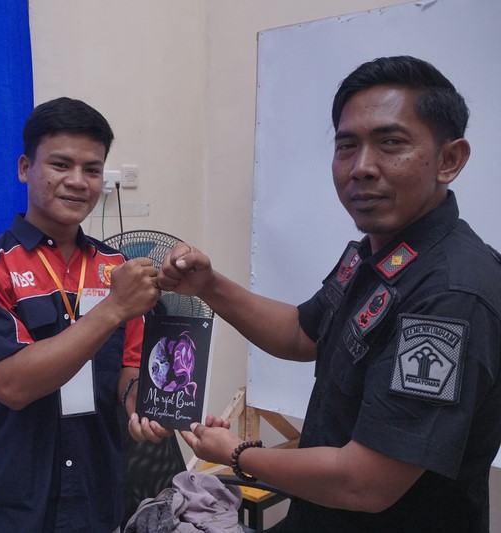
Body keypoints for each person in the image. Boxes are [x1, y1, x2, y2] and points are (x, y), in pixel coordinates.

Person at [159, 55, 501, 532]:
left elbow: (365, 483)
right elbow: (302, 332)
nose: (362, 167)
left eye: (391, 143)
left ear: (450, 160)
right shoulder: (377, 254)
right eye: (347, 146)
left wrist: (237, 454)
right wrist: (209, 286)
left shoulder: (450, 295)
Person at [0, 96, 170, 532]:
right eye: (60, 165)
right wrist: (113, 308)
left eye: (92, 169)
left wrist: (142, 405)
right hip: (14, 501)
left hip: (97, 493)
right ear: (25, 168)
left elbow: (129, 367)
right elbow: (12, 385)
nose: (78, 181)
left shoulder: (116, 267)